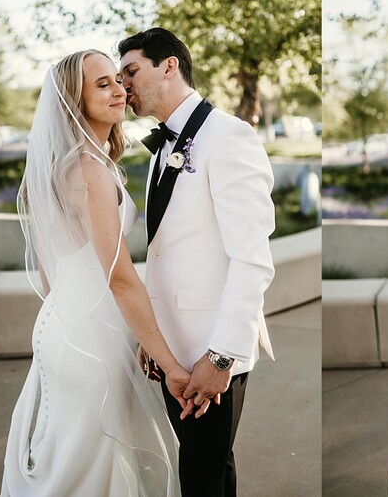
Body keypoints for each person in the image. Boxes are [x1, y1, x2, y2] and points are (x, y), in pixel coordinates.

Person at [1, 49, 198, 496]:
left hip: (63, 325)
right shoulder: (90, 171)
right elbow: (120, 277)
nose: (119, 90)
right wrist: (170, 364)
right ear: (75, 99)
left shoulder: (69, 164)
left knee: (69, 460)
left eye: (119, 80)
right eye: (103, 84)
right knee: (89, 467)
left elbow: (52, 272)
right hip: (90, 340)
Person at [118, 28, 275, 497]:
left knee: (202, 476)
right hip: (172, 348)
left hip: (212, 346)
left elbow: (252, 260)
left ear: (169, 65)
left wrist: (221, 356)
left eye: (131, 71)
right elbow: (166, 249)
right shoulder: (161, 148)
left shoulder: (229, 136)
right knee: (208, 471)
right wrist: (153, 334)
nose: (124, 85)